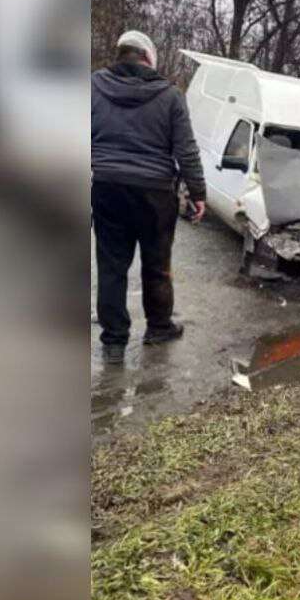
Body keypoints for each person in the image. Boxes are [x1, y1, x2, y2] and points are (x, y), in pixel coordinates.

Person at [91, 31, 206, 362]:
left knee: (111, 266)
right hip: (155, 194)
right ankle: (158, 327)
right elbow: (186, 150)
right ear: (148, 58)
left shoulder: (93, 86)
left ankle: (114, 341)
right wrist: (198, 193)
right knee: (157, 263)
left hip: (108, 186)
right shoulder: (170, 96)